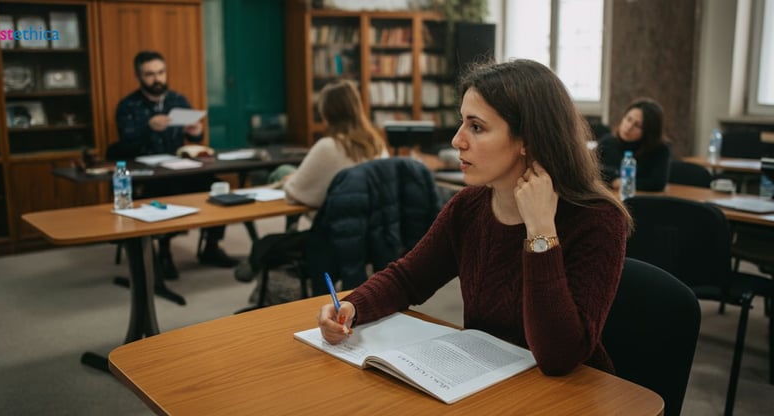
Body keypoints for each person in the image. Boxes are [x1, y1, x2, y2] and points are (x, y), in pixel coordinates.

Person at [316, 59, 632, 376]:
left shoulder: (598, 220)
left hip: (568, 398)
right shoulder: (469, 207)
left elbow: (558, 358)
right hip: (486, 379)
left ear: (528, 141)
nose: (457, 140)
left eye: (476, 127)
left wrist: (540, 231)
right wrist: (353, 307)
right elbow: (408, 279)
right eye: (462, 122)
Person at [234, 79, 389, 282]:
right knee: (286, 173)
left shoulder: (328, 147)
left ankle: (261, 256)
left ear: (326, 113)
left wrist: (289, 180)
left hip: (332, 240)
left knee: (266, 241)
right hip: (372, 238)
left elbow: (294, 195)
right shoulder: (378, 146)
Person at [111, 50, 237, 279]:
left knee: (219, 189)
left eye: (160, 72)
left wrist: (196, 133)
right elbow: (124, 145)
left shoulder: (177, 100)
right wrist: (148, 127)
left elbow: (193, 138)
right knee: (164, 194)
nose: (157, 79)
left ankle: (211, 246)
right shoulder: (128, 106)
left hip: (180, 168)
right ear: (139, 76)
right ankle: (164, 253)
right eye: (150, 74)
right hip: (149, 174)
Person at [597, 98, 671, 191]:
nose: (629, 127)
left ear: (649, 131)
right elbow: (592, 173)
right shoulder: (606, 142)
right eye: (628, 119)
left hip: (642, 201)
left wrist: (620, 182)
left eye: (637, 125)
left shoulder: (660, 149)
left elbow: (657, 183)